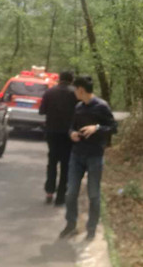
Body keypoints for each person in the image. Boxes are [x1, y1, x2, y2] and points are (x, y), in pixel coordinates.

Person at [59, 75, 117, 241]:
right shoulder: (78, 107)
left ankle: (91, 228)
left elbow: (114, 127)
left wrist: (96, 128)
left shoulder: (102, 106)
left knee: (93, 194)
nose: (74, 92)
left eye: (75, 89)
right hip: (77, 154)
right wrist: (72, 133)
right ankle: (71, 224)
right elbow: (72, 127)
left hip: (95, 156)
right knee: (70, 193)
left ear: (81, 90)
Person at [39, 71, 77, 206]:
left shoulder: (49, 92)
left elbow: (42, 111)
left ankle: (49, 191)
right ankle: (61, 196)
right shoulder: (75, 94)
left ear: (60, 79)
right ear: (72, 80)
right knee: (66, 164)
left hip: (52, 132)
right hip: (69, 134)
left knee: (52, 161)